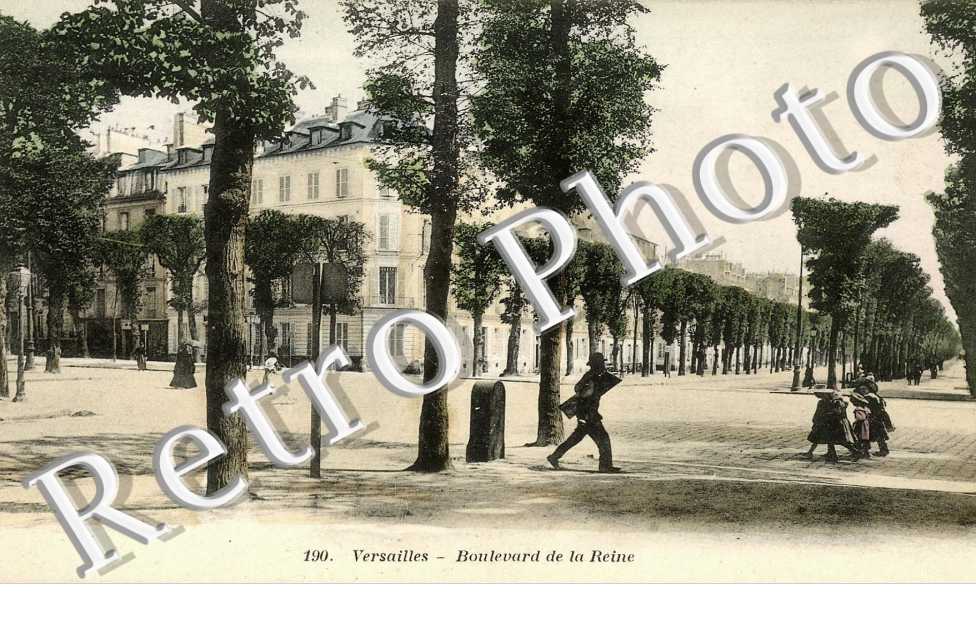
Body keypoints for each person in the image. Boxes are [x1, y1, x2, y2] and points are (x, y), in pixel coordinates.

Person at [548, 352, 620, 473]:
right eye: (601, 363)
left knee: (575, 438)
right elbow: (579, 391)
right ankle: (605, 466)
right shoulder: (591, 377)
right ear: (597, 365)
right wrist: (583, 415)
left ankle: (554, 456)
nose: (603, 366)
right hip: (588, 415)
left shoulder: (595, 376)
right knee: (604, 439)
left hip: (588, 414)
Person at [803, 389, 861, 463]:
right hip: (833, 424)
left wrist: (823, 417)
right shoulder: (835, 402)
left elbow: (835, 413)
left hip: (834, 424)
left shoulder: (833, 403)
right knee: (831, 440)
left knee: (837, 440)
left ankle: (854, 452)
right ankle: (832, 455)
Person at [850, 392, 873, 459]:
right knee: (865, 439)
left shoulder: (858, 409)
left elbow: (860, 418)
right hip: (866, 425)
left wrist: (856, 419)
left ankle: (860, 452)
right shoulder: (866, 408)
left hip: (861, 426)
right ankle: (865, 452)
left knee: (859, 438)